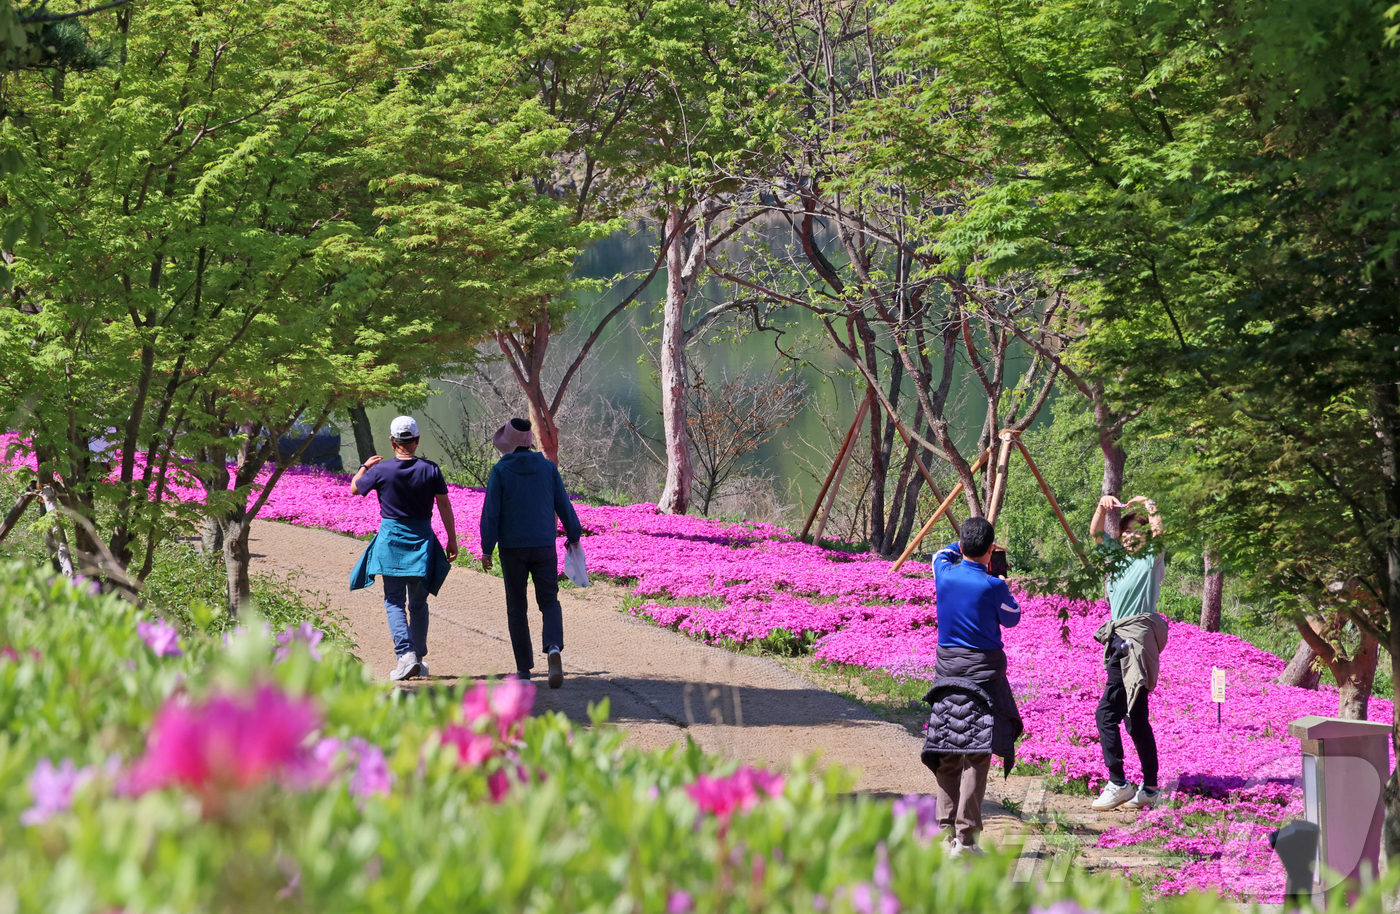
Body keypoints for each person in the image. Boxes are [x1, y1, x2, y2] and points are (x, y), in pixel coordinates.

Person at [920, 516, 1023, 858]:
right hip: (983, 677)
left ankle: (944, 835)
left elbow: (939, 554)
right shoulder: (993, 586)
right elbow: (1013, 617)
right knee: (977, 754)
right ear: (991, 550)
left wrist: (963, 544)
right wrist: (1002, 581)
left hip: (947, 673)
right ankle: (965, 841)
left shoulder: (944, 573)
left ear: (962, 545)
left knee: (948, 750)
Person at [348, 416, 458, 682]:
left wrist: (364, 466)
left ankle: (406, 656)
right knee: (418, 603)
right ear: (417, 441)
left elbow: (354, 488)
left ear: (392, 441)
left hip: (391, 545)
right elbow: (444, 505)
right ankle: (416, 657)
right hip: (422, 544)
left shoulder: (382, 471)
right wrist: (452, 539)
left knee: (394, 601)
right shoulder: (431, 470)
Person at [479, 418, 582, 689]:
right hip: (544, 546)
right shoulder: (548, 468)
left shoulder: (500, 471)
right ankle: (553, 648)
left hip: (512, 548)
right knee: (549, 601)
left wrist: (487, 548)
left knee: (517, 606)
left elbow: (491, 512)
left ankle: (524, 671)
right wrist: (574, 535)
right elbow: (563, 504)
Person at [1088, 495, 1169, 812]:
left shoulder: (1150, 562)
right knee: (1136, 719)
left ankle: (1118, 783)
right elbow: (1095, 533)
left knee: (1106, 714)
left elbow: (1160, 534)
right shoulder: (1116, 560)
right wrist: (1102, 506)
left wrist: (1150, 505)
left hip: (1132, 644)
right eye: (1127, 532)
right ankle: (1150, 789)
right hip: (1118, 639)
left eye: (1139, 532)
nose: (1132, 536)